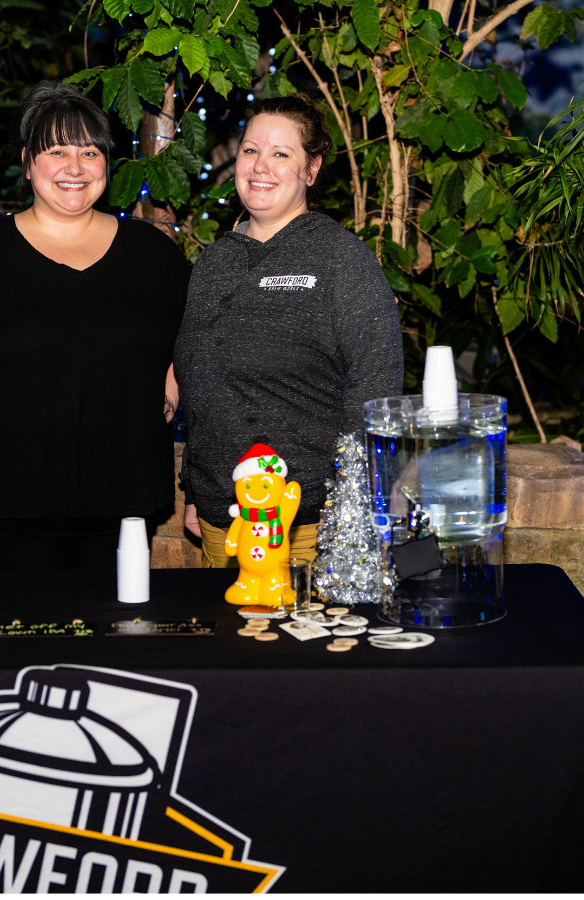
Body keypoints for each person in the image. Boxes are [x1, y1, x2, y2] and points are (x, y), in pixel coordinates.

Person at [0, 81, 190, 570]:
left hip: (124, 496)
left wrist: (172, 382)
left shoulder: (152, 253)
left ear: (107, 161)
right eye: (56, 150)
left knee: (121, 636)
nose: (75, 167)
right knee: (21, 636)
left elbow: (195, 334)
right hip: (11, 497)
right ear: (28, 160)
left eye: (89, 151)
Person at [174, 93, 403, 567]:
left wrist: (352, 507)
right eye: (251, 150)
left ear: (311, 169)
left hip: (308, 524)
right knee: (229, 642)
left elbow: (376, 386)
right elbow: (201, 379)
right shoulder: (213, 262)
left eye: (281, 154)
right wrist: (195, 489)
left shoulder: (341, 259)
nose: (261, 167)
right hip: (223, 515)